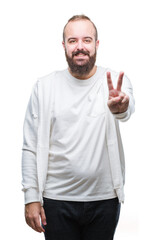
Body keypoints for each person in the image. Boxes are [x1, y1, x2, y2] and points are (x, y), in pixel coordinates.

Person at [22, 14, 135, 240]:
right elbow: (30, 145)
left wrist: (120, 106)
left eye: (87, 40)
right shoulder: (44, 87)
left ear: (96, 44)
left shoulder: (113, 81)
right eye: (73, 41)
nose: (80, 47)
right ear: (64, 46)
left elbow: (125, 109)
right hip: (56, 200)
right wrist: (31, 197)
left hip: (104, 200)